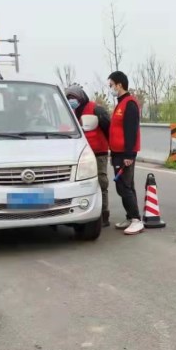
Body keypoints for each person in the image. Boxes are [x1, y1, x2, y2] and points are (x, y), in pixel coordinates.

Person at [66, 84, 112, 227]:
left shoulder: (96, 110)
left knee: (101, 182)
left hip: (98, 152)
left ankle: (104, 214)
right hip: (77, 155)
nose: (71, 101)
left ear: (81, 98)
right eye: (68, 98)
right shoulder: (68, 112)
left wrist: (109, 147)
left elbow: (108, 129)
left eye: (73, 98)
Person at [106, 71, 143, 235]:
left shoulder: (130, 104)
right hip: (117, 153)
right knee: (127, 185)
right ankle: (130, 217)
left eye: (111, 85)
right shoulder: (120, 103)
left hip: (125, 154)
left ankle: (136, 219)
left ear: (119, 84)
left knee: (124, 187)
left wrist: (129, 155)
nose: (111, 88)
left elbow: (131, 131)